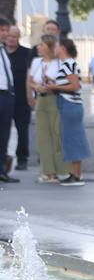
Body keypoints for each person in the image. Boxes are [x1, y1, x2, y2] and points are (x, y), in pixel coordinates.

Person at [40, 37, 90, 186]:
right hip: (69, 105)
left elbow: (75, 86)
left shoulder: (68, 64)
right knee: (72, 138)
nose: (54, 49)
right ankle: (75, 174)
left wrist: (55, 87)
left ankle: (76, 175)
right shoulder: (69, 63)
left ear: (62, 48)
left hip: (70, 105)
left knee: (72, 139)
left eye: (56, 46)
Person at [30, 34, 70, 184]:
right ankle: (48, 172)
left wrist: (52, 85)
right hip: (41, 100)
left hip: (56, 99)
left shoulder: (59, 63)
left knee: (57, 135)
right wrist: (37, 87)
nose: (38, 47)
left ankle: (62, 170)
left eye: (42, 45)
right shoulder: (36, 62)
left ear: (49, 47)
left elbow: (67, 82)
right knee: (43, 136)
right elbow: (31, 81)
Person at [5, 22, 33, 173]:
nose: (11, 39)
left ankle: (22, 159)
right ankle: (3, 159)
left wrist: (31, 97)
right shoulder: (1, 52)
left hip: (22, 99)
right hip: (4, 99)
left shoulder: (27, 53)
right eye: (9, 36)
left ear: (19, 37)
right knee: (3, 131)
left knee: (23, 131)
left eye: (14, 36)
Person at [0, 18, 17, 184]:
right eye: (2, 30)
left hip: (7, 96)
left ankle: (2, 171)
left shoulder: (4, 50)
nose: (5, 33)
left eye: (7, 30)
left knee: (4, 136)